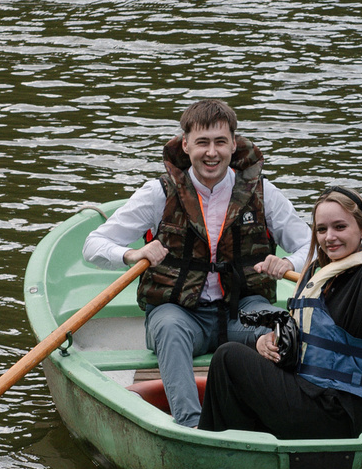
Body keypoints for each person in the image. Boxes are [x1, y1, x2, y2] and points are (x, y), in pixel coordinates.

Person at [84, 99, 311, 430]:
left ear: (234, 145)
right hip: (179, 312)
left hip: (241, 310)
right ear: (186, 144)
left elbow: (311, 247)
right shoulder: (158, 193)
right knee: (169, 330)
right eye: (202, 142)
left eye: (220, 142)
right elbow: (93, 245)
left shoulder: (263, 193)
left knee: (284, 332)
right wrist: (132, 255)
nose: (211, 152)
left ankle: (277, 424)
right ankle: (191, 428)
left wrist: (289, 260)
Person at [202, 168, 362, 440]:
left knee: (227, 357)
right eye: (322, 229)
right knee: (242, 357)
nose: (329, 237)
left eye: (340, 227)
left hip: (339, 413)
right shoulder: (319, 274)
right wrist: (268, 343)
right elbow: (302, 343)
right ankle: (235, 445)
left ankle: (213, 443)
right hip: (311, 394)